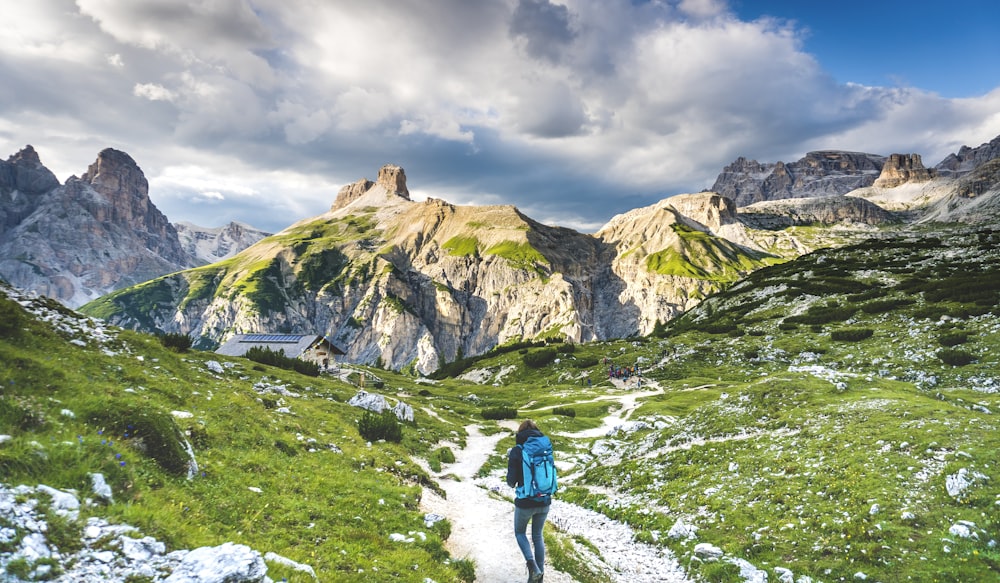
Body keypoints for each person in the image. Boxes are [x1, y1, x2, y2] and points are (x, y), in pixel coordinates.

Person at [506, 419, 552, 583]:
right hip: (545, 500)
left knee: (520, 533)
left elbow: (511, 481)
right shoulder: (545, 447)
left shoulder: (517, 450)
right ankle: (539, 577)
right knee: (537, 536)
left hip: (525, 502)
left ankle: (532, 568)